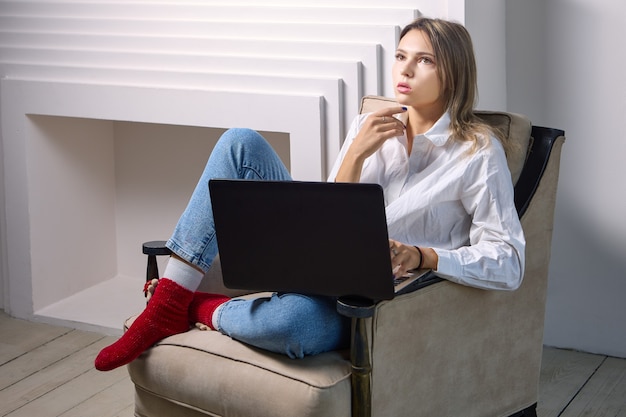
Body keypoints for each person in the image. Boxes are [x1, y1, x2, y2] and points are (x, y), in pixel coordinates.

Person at [95, 17, 525, 372]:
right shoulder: (368, 128)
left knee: (294, 329)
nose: (404, 71)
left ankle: (193, 307)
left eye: (424, 60)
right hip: (320, 260)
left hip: (373, 297)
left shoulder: (477, 151)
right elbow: (329, 219)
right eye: (400, 56)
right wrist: (356, 153)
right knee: (239, 142)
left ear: (452, 72)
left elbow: (509, 261)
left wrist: (423, 255)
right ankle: (170, 302)